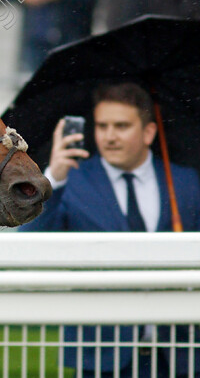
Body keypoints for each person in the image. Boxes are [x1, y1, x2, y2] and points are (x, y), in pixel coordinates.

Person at [20, 82, 200, 377]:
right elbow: (29, 243)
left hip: (179, 355)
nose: (109, 136)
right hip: (99, 353)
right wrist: (53, 179)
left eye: (121, 126)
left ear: (149, 133)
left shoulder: (184, 181)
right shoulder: (70, 182)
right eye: (102, 126)